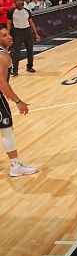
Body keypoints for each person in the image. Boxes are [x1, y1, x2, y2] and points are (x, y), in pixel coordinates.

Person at [0, 28, 38, 177]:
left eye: (8, 34)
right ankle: (15, 166)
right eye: (4, 36)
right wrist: (17, 101)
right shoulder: (3, 56)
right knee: (7, 131)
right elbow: (2, 83)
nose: (9, 37)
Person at [7, 0, 41, 76]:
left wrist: (36, 33)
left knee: (30, 50)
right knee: (16, 52)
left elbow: (31, 22)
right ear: (14, 2)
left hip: (27, 31)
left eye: (19, 0)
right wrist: (8, 34)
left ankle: (29, 67)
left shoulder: (27, 11)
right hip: (17, 32)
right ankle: (15, 70)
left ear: (22, 1)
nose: (18, 2)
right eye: (17, 1)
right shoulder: (11, 11)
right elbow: (8, 23)